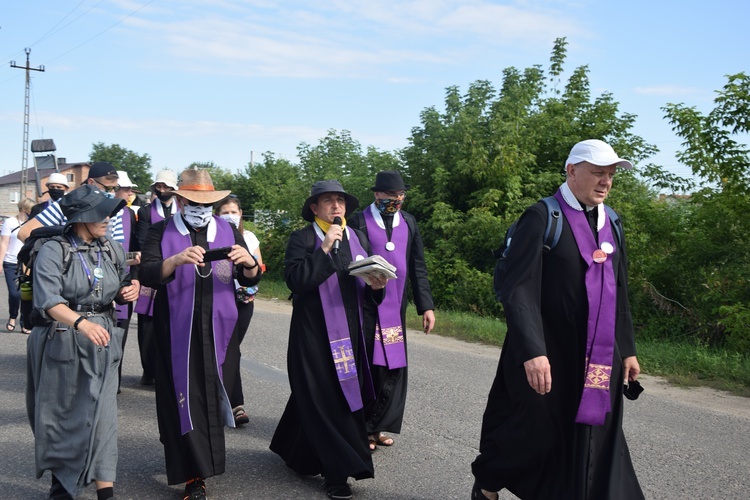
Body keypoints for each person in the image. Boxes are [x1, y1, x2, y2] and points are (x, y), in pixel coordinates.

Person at [470, 139, 644, 500]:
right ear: (571, 171)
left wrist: (626, 349)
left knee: (595, 432)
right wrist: (532, 351)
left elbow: (620, 289)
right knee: (534, 430)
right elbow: (518, 290)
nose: (605, 182)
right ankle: (488, 480)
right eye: (598, 173)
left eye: (611, 175)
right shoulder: (542, 217)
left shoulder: (611, 221)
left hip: (598, 351)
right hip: (548, 349)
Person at [139, 169, 261, 500]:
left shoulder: (227, 229)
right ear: (180, 200)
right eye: (193, 201)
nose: (200, 208)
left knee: (210, 398)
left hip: (221, 327)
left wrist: (249, 263)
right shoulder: (161, 230)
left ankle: (202, 465)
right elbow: (147, 273)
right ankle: (195, 475)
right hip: (176, 329)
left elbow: (247, 280)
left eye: (208, 202)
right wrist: (175, 260)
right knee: (183, 398)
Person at [269, 180, 388, 500]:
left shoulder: (358, 237)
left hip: (353, 334)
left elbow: (367, 290)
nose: (336, 206)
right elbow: (296, 280)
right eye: (328, 201)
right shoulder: (304, 238)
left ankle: (294, 450)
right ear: (314, 208)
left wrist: (379, 287)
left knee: (326, 399)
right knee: (325, 399)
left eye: (341, 200)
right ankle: (337, 474)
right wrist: (323, 249)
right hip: (313, 335)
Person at [25, 184, 140, 500]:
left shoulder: (111, 247)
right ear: (80, 218)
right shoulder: (53, 250)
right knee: (65, 419)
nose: (107, 218)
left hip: (102, 340)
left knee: (104, 417)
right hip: (62, 339)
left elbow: (116, 284)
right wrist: (80, 322)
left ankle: (106, 494)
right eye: (100, 213)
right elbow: (48, 301)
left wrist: (129, 289)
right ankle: (62, 490)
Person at [349, 170, 435, 450]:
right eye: (390, 195)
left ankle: (378, 426)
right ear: (377, 195)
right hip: (367, 307)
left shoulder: (409, 222)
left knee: (392, 368)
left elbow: (418, 266)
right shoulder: (359, 221)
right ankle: (362, 427)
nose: (396, 200)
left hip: (396, 308)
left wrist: (427, 306)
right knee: (370, 367)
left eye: (400, 195)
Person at [215, 196, 264, 426]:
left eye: (233, 211)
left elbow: (258, 267)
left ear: (241, 213)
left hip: (243, 301)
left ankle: (228, 402)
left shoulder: (249, 237)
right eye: (225, 211)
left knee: (232, 349)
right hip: (218, 301)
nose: (230, 215)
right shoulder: (212, 237)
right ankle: (235, 405)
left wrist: (250, 285)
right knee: (229, 349)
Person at [134, 169, 179, 386]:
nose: (162, 190)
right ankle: (149, 369)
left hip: (179, 271)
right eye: (159, 186)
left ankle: (171, 368)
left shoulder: (183, 210)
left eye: (166, 187)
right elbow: (143, 241)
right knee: (148, 323)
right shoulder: (145, 212)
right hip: (154, 266)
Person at [18, 161, 124, 244]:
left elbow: (117, 247)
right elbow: (24, 233)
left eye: (115, 188)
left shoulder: (115, 209)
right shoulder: (66, 204)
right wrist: (50, 260)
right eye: (108, 188)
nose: (112, 193)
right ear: (91, 183)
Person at [113, 171, 141, 392]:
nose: (131, 193)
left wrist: (135, 278)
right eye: (126, 189)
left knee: (120, 333)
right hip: (95, 282)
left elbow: (133, 250)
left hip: (123, 281)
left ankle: (115, 380)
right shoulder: (94, 212)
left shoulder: (130, 214)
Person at [0, 198, 34, 333]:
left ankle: (24, 323)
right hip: (11, 262)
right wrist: (0, 261)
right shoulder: (10, 222)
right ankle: (12, 317)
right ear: (25, 209)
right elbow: (4, 243)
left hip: (27, 263)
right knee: (14, 294)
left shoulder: (33, 223)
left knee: (26, 293)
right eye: (31, 210)